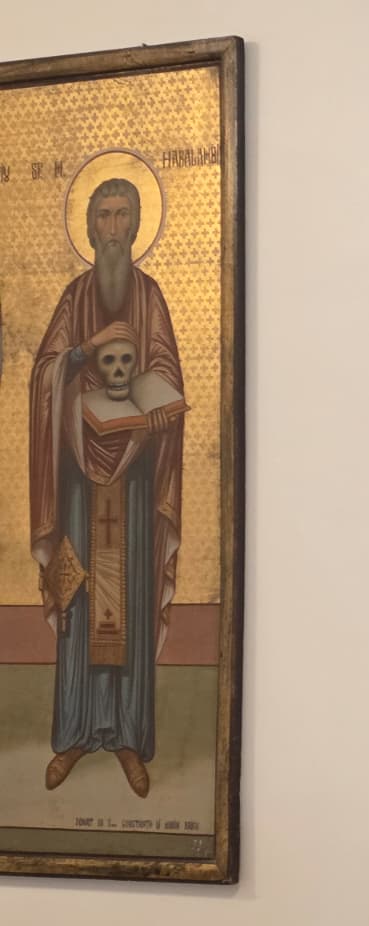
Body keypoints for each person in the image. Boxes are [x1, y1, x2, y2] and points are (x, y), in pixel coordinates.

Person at [29, 177, 185, 799]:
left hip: (137, 475)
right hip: (77, 478)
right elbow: (44, 374)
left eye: (123, 215)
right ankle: (74, 733)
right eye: (104, 216)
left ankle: (126, 737)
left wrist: (157, 409)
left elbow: (166, 368)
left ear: (137, 224)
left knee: (130, 599)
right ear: (90, 227)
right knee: (79, 595)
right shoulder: (74, 297)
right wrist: (79, 355)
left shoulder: (150, 297)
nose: (114, 228)